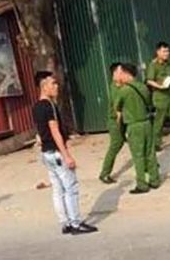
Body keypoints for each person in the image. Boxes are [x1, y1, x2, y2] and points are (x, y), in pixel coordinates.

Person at [33, 71, 98, 235]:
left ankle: (65, 223)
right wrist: (66, 155)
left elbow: (40, 132)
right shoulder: (49, 106)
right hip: (56, 153)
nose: (56, 86)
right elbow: (54, 131)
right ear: (44, 86)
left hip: (46, 153)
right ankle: (75, 223)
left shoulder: (36, 107)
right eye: (53, 83)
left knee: (57, 189)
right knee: (71, 187)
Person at [116, 63, 161, 194]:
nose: (119, 76)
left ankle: (142, 184)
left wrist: (120, 129)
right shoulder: (143, 87)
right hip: (147, 123)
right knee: (150, 153)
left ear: (126, 73)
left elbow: (117, 109)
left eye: (120, 73)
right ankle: (155, 180)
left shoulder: (124, 90)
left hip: (134, 125)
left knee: (138, 156)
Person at [99, 63, 126, 184]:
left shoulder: (123, 85)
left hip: (124, 119)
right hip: (115, 120)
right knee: (116, 144)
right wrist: (119, 124)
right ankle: (104, 173)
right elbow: (117, 108)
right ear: (114, 74)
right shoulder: (115, 88)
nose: (123, 73)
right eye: (120, 71)